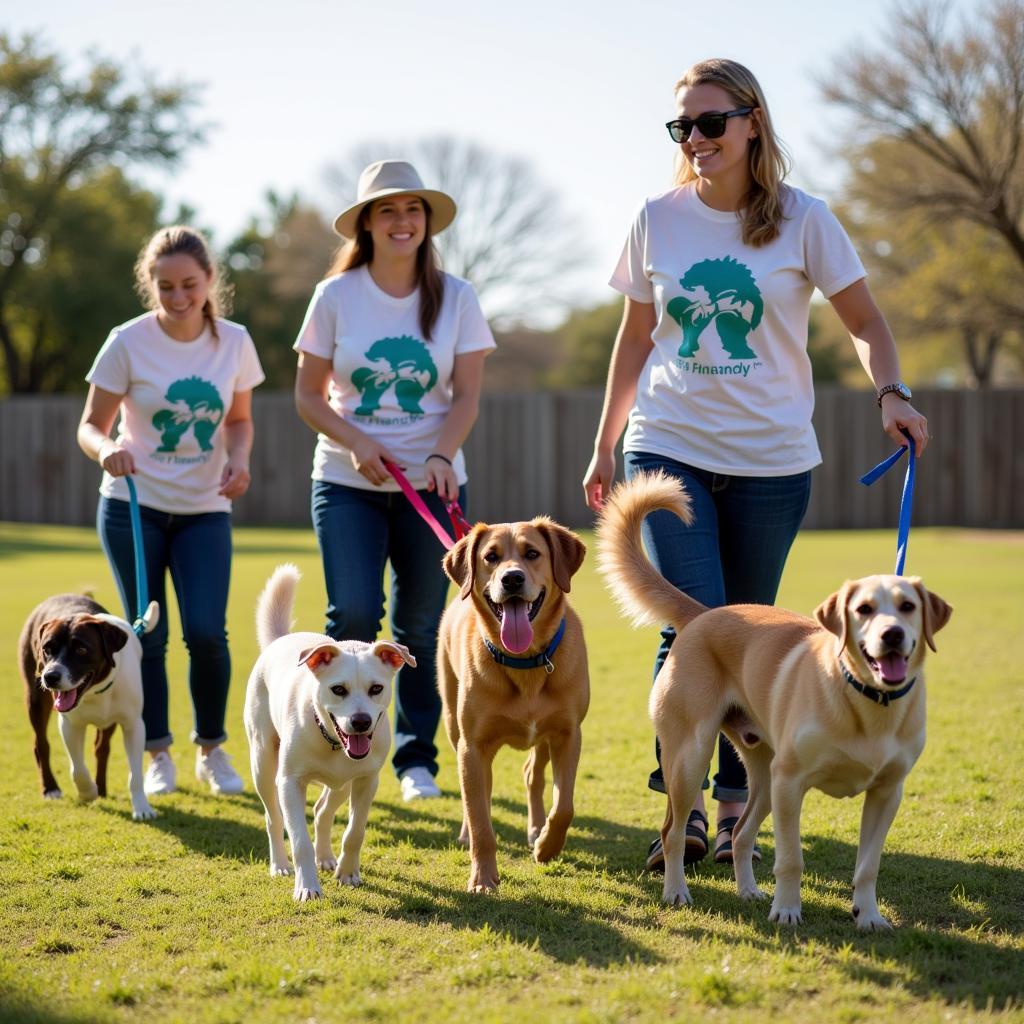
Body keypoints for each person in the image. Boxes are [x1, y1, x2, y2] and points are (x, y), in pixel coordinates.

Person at [583, 59, 929, 871]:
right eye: (683, 128)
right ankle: (686, 810)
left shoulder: (805, 220)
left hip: (774, 461)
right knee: (697, 624)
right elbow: (635, 339)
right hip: (669, 441)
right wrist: (607, 440)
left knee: (749, 632)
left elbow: (866, 321)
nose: (695, 141)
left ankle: (740, 809)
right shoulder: (655, 218)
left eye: (711, 123)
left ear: (752, 123)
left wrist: (892, 392)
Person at [293, 159, 495, 802]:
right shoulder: (336, 296)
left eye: (412, 209)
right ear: (366, 224)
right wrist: (356, 440)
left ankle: (414, 760)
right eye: (387, 210)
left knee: (419, 623)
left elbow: (465, 397)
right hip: (347, 481)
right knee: (352, 611)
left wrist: (440, 454)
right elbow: (307, 395)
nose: (401, 221)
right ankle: (335, 741)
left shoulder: (457, 297)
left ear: (426, 221)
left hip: (432, 486)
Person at [78, 225, 265, 797]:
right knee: (145, 637)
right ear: (150, 286)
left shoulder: (234, 342)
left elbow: (237, 420)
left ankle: (212, 749)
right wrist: (107, 449)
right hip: (134, 510)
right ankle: (157, 753)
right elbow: (89, 425)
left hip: (206, 510)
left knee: (207, 633)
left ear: (210, 281)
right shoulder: (127, 342)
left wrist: (239, 459)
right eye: (165, 287)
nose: (179, 297)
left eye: (189, 285)